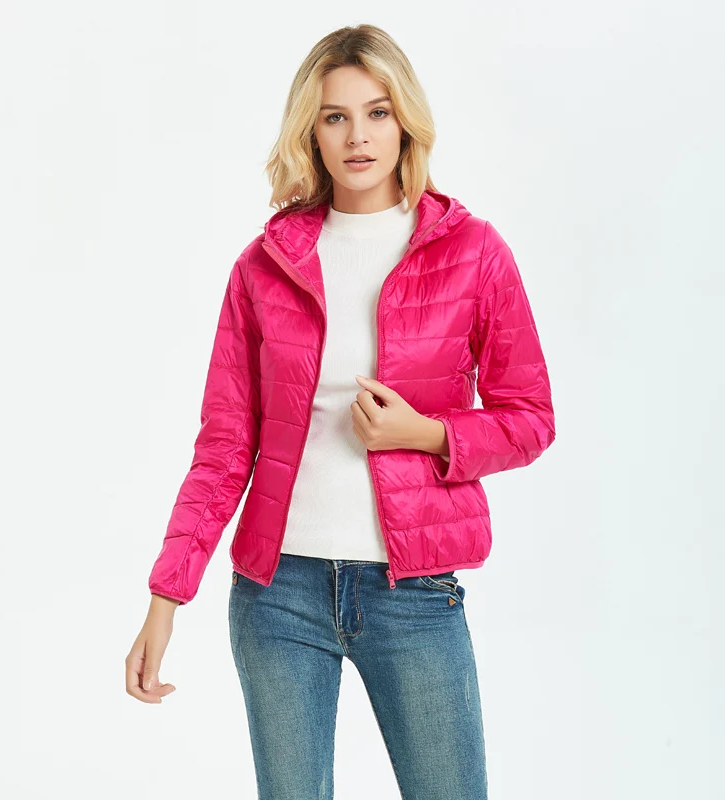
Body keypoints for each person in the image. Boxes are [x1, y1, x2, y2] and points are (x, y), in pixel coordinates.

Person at [126, 23, 556, 799]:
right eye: (335, 116)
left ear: (405, 122)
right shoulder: (263, 266)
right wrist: (167, 596)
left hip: (413, 593)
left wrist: (425, 433)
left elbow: (530, 417)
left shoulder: (474, 252)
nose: (358, 135)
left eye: (377, 112)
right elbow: (224, 449)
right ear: (312, 133)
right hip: (278, 596)